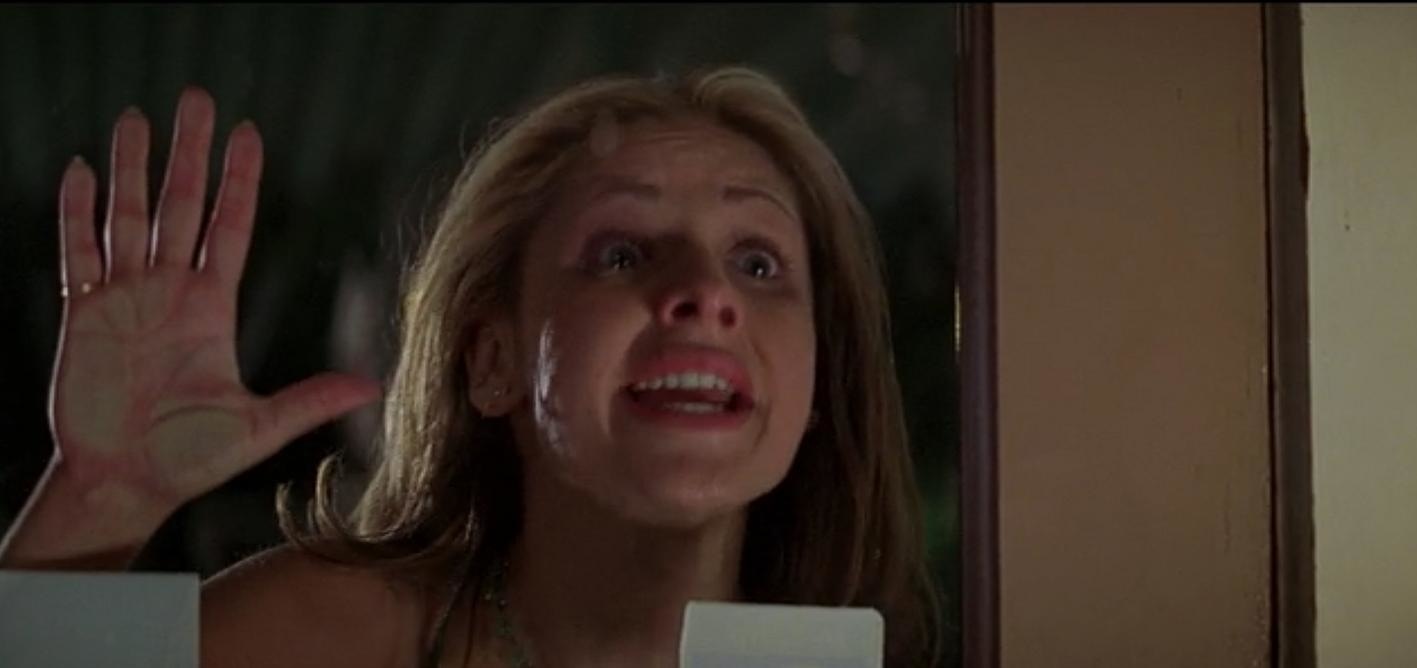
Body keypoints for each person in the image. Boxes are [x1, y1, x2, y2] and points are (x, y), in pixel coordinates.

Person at [0, 66, 938, 667]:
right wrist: (101, 500)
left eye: (759, 264)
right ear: (493, 362)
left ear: (813, 384)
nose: (705, 291)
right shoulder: (333, 635)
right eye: (621, 254)